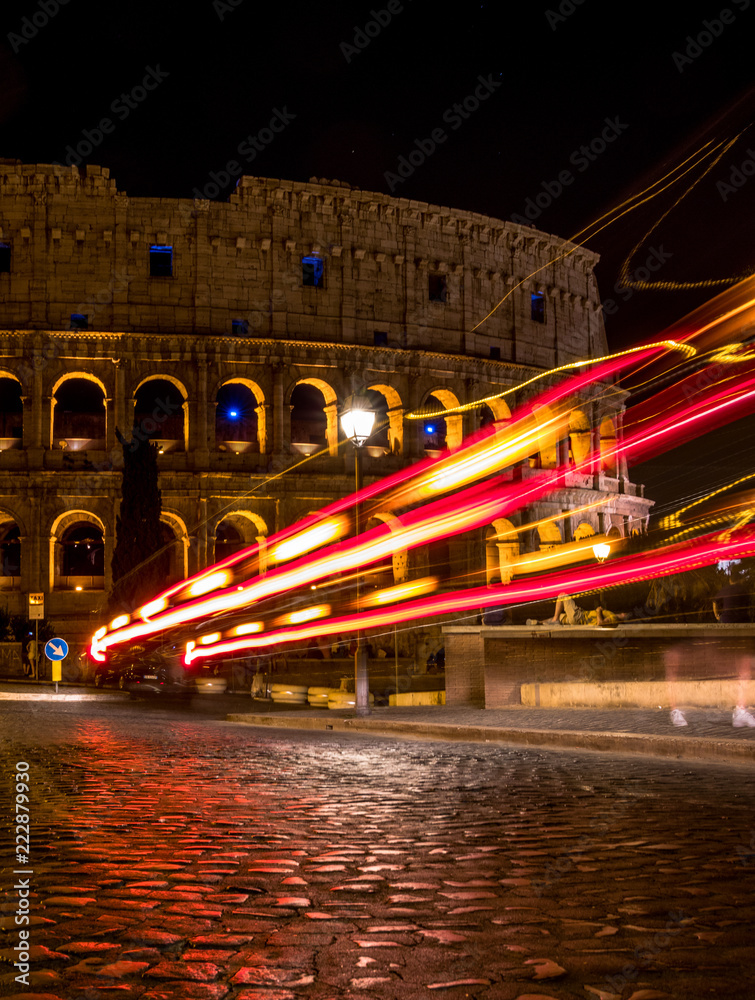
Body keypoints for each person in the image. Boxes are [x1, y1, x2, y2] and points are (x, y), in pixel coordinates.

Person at [529, 593, 629, 627]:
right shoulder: (613, 618)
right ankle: (539, 623)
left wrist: (598, 611)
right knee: (558, 616)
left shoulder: (614, 618)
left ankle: (555, 621)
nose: (622, 613)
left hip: (579, 617)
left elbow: (601, 623)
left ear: (624, 616)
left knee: (562, 595)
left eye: (625, 614)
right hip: (578, 620)